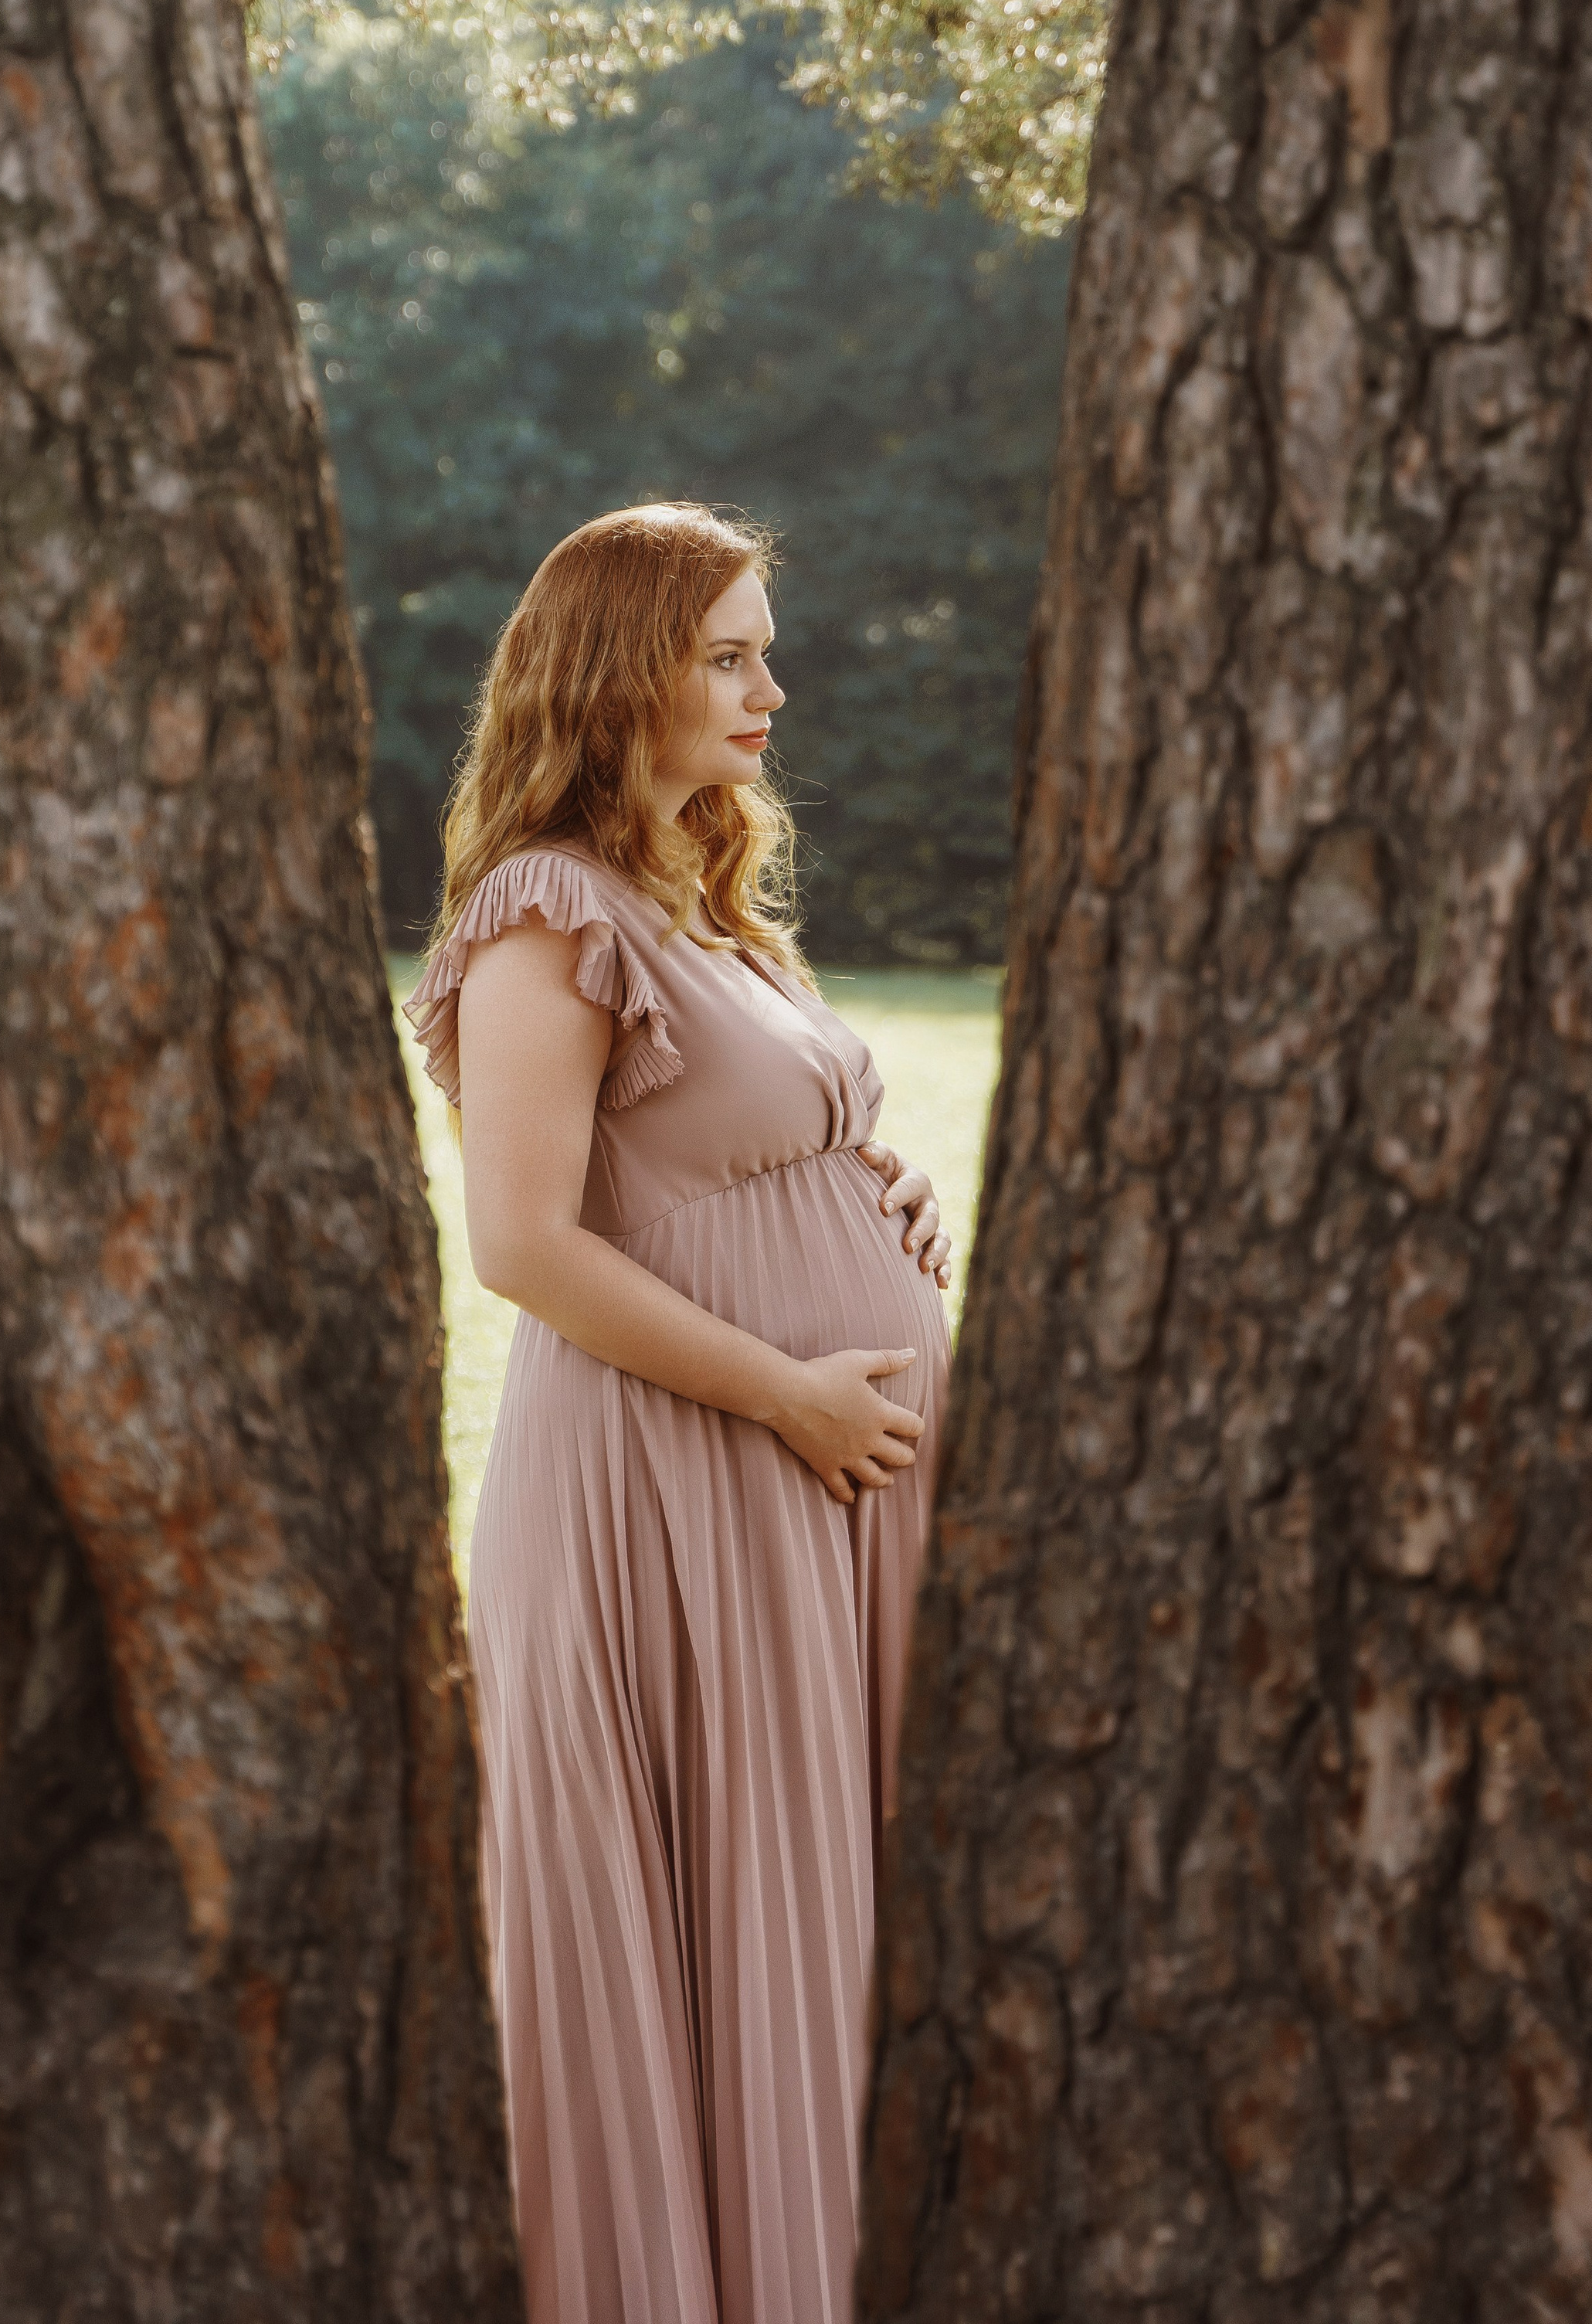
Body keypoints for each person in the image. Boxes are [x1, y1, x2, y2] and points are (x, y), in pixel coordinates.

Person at [405, 504, 953, 2324]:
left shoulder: (697, 902)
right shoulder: (538, 913)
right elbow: (518, 1243)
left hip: (814, 1484)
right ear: (616, 669)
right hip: (677, 1489)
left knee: (842, 1935)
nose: (768, 687)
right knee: (738, 1940)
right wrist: (789, 1386)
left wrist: (869, 1198)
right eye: (727, 651)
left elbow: (733, 1165)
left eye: (759, 647)